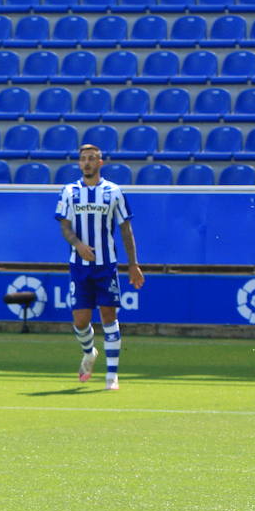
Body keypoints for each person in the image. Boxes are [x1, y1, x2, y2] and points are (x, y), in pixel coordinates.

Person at [56, 144, 144, 391]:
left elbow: (126, 228)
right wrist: (78, 244)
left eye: (92, 158)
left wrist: (133, 264)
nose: (87, 163)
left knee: (109, 316)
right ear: (79, 163)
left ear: (100, 163)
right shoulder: (69, 191)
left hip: (106, 265)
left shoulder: (113, 192)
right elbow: (64, 226)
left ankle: (112, 375)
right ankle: (89, 352)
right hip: (79, 266)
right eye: (83, 159)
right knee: (81, 321)